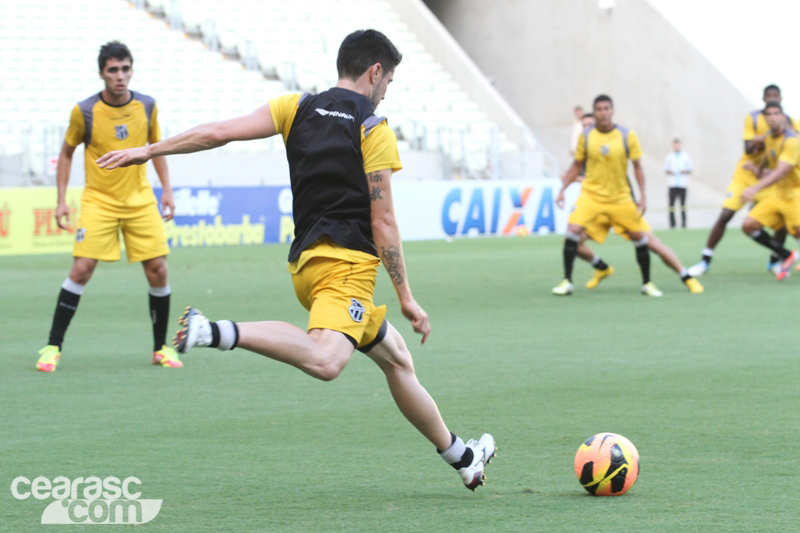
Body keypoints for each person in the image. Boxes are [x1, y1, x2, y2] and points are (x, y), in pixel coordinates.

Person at [96, 29, 496, 491]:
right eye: (390, 81)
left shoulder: (296, 107)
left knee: (397, 360)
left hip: (306, 266)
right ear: (375, 72)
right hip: (346, 271)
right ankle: (214, 331)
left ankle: (463, 457)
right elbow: (383, 222)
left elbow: (218, 132)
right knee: (327, 361)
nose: (387, 91)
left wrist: (149, 150)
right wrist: (406, 295)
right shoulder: (373, 128)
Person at [36, 41, 180, 372]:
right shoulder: (84, 111)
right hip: (99, 200)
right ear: (102, 73)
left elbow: (156, 149)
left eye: (125, 69)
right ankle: (52, 347)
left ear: (132, 70)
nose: (120, 76)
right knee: (82, 269)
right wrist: (60, 199)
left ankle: (160, 348)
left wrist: (167, 190)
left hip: (140, 200)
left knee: (158, 269)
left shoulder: (147, 105)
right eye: (113, 70)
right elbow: (68, 152)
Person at [553, 94, 662, 297]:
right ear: (594, 113)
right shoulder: (586, 136)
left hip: (619, 197)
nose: (603, 113)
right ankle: (567, 281)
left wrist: (643, 195)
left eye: (606, 109)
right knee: (572, 231)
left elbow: (637, 166)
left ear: (612, 111)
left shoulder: (626, 135)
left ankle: (647, 283)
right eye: (599, 109)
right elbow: (576, 165)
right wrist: (562, 190)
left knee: (640, 236)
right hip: (591, 196)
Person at [688, 85, 790, 276]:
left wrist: (764, 142)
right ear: (763, 99)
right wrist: (765, 138)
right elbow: (748, 148)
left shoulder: (789, 122)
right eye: (768, 96)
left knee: (781, 223)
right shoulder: (752, 118)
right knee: (725, 215)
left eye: (775, 96)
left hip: (769, 178)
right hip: (745, 176)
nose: (771, 99)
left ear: (781, 100)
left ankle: (775, 261)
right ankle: (705, 261)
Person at [740, 102, 800, 279]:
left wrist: (754, 187)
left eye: (776, 114)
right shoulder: (768, 137)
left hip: (796, 194)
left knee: (797, 232)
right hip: (778, 194)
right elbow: (768, 158)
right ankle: (786, 255)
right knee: (749, 226)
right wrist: (756, 170)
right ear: (765, 118)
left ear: (782, 116)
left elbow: (782, 171)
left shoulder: (791, 140)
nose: (772, 117)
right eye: (769, 114)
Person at [576, 216, 704, 293]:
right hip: (598, 209)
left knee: (651, 243)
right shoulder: (585, 170)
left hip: (620, 205)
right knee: (572, 243)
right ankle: (601, 267)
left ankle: (686, 276)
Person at [664, 138, 692, 228]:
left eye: (678, 145)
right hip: (672, 184)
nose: (677, 146)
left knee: (683, 204)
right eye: (675, 145)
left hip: (682, 184)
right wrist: (670, 171)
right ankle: (672, 224)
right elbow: (665, 169)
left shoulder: (686, 156)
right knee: (671, 205)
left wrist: (685, 170)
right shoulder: (669, 157)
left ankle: (683, 224)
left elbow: (690, 168)